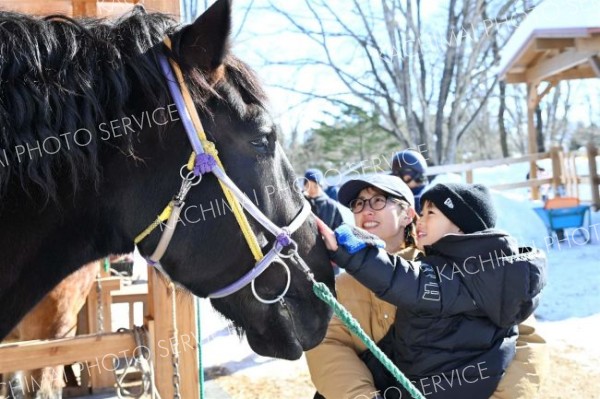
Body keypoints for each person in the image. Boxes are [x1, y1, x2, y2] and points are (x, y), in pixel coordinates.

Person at [312, 181, 547, 399]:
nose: (366, 210)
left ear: (407, 215)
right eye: (358, 204)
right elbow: (328, 347)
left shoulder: (458, 273)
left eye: (379, 200)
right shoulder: (340, 286)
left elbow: (526, 341)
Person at [390, 150, 428, 214]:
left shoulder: (429, 198)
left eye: (405, 171)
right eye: (396, 173)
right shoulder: (396, 198)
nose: (399, 177)